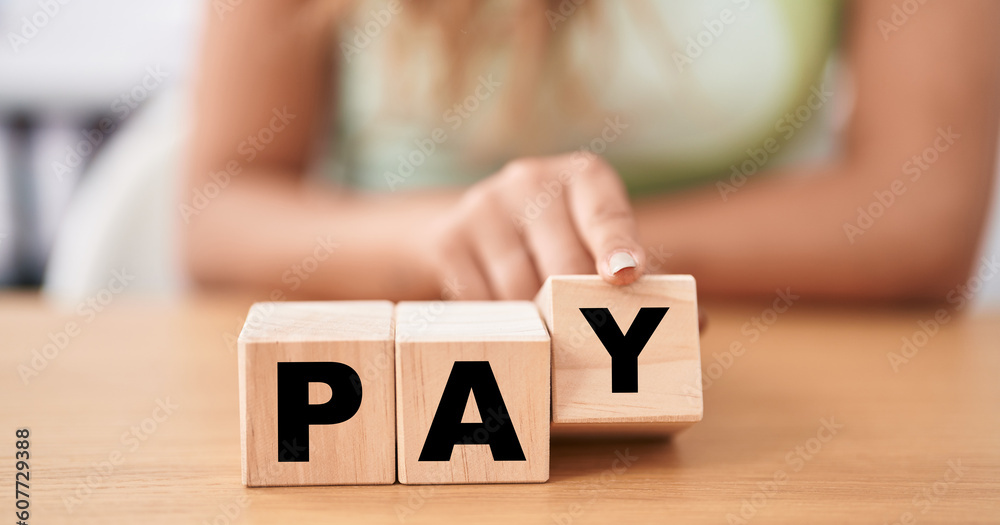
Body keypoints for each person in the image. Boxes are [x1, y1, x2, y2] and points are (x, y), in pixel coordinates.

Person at [181, 0, 1000, 302]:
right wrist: (437, 243)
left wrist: (593, 254)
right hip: (406, 330)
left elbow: (921, 211)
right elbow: (217, 203)